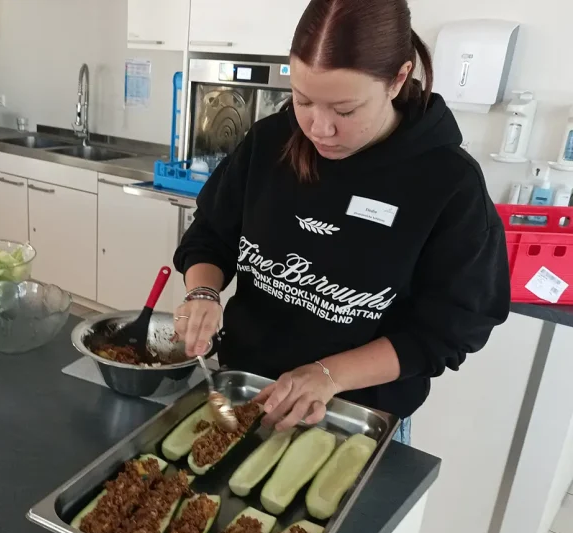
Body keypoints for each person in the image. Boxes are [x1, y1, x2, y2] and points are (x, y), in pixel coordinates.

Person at [172, 0, 511, 445]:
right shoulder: (270, 142)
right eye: (303, 100)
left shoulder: (449, 184)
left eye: (345, 110)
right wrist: (203, 291)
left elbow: (448, 330)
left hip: (354, 419)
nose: (319, 128)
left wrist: (329, 375)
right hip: (242, 390)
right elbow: (211, 235)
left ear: (398, 79)